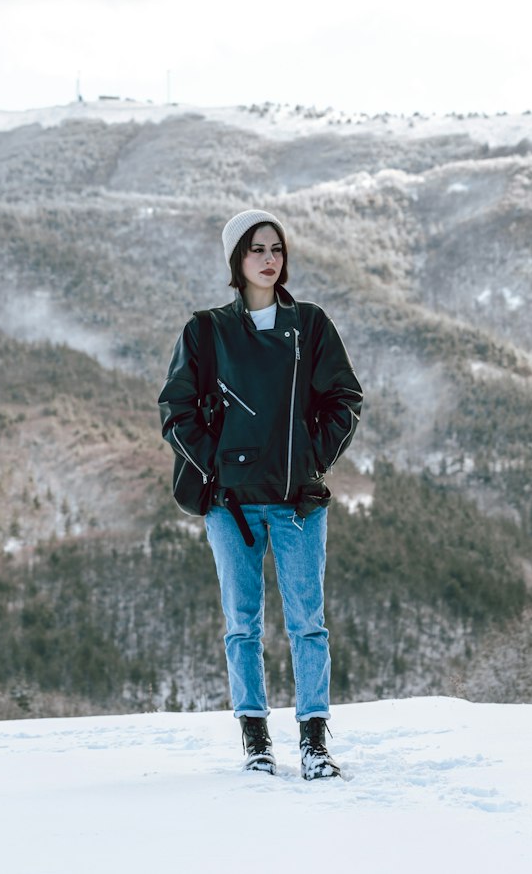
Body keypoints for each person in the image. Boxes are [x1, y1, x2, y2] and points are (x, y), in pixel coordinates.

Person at [159, 209, 363, 779]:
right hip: (231, 506)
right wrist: (217, 473)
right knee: (242, 624)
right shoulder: (207, 331)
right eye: (256, 249)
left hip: (297, 500)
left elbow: (344, 398)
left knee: (308, 624)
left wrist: (311, 459)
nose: (269, 259)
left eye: (276, 248)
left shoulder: (312, 325)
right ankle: (255, 740)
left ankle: (315, 741)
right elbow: (175, 411)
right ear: (236, 260)